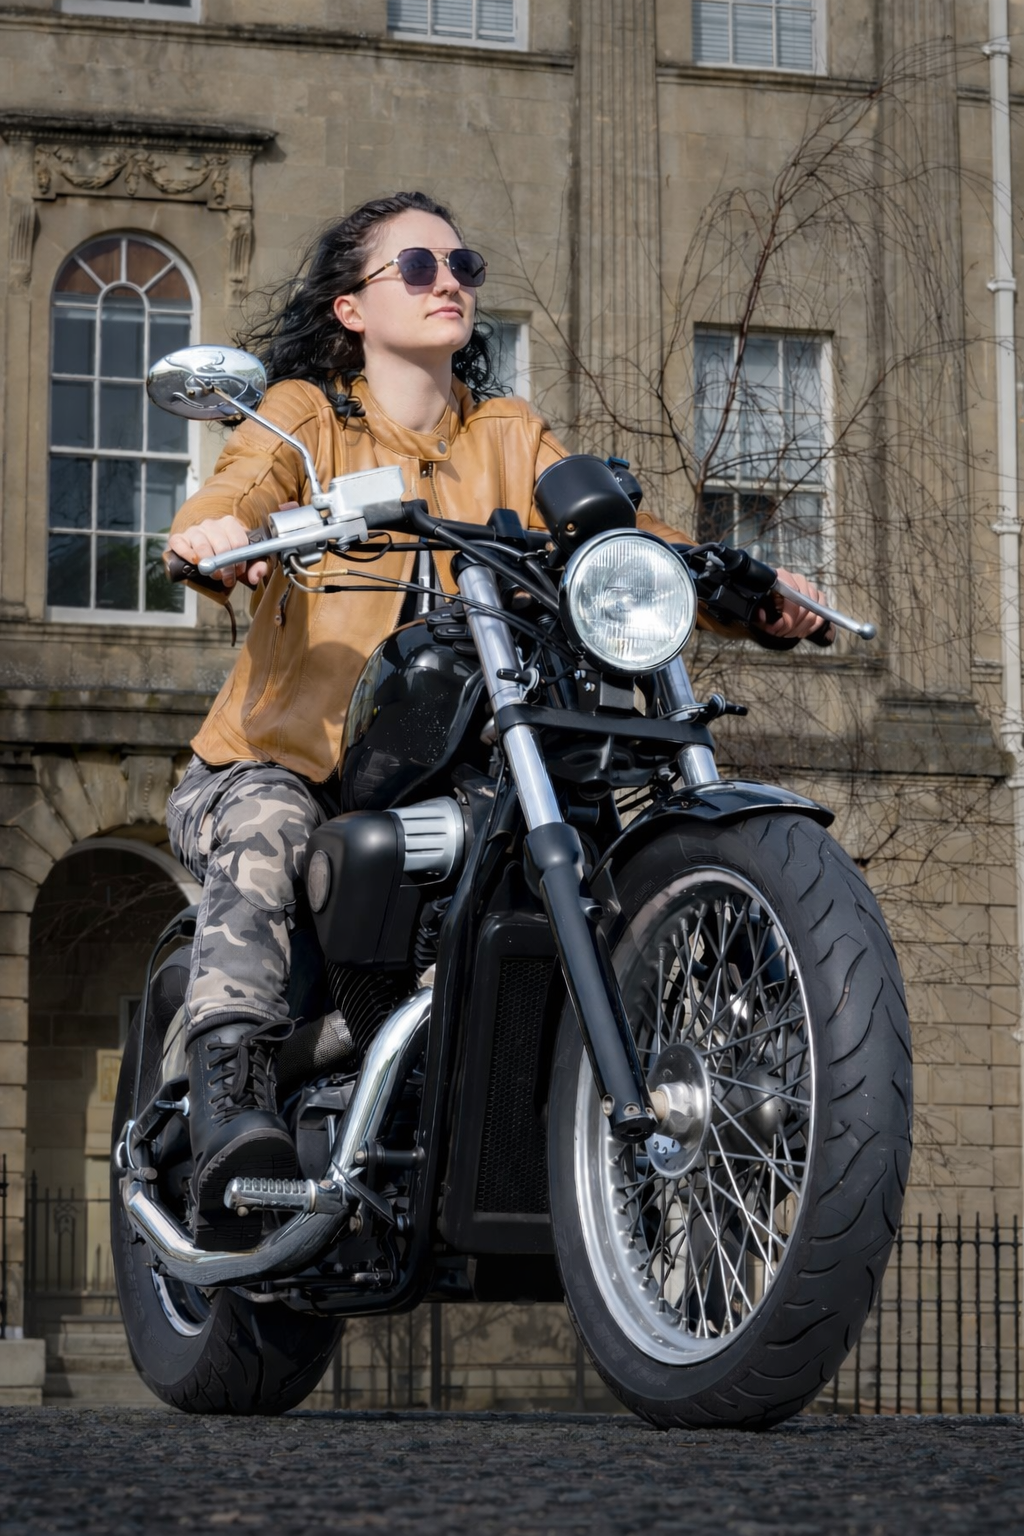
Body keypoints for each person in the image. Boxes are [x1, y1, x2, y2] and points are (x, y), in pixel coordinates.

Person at [165, 190, 833, 1249]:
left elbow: (620, 530)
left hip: (458, 757)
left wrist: (739, 586)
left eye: (463, 265)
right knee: (265, 831)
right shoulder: (306, 415)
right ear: (352, 307)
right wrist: (209, 533)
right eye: (420, 267)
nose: (452, 284)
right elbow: (246, 484)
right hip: (283, 760)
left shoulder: (507, 432)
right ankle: (231, 1105)